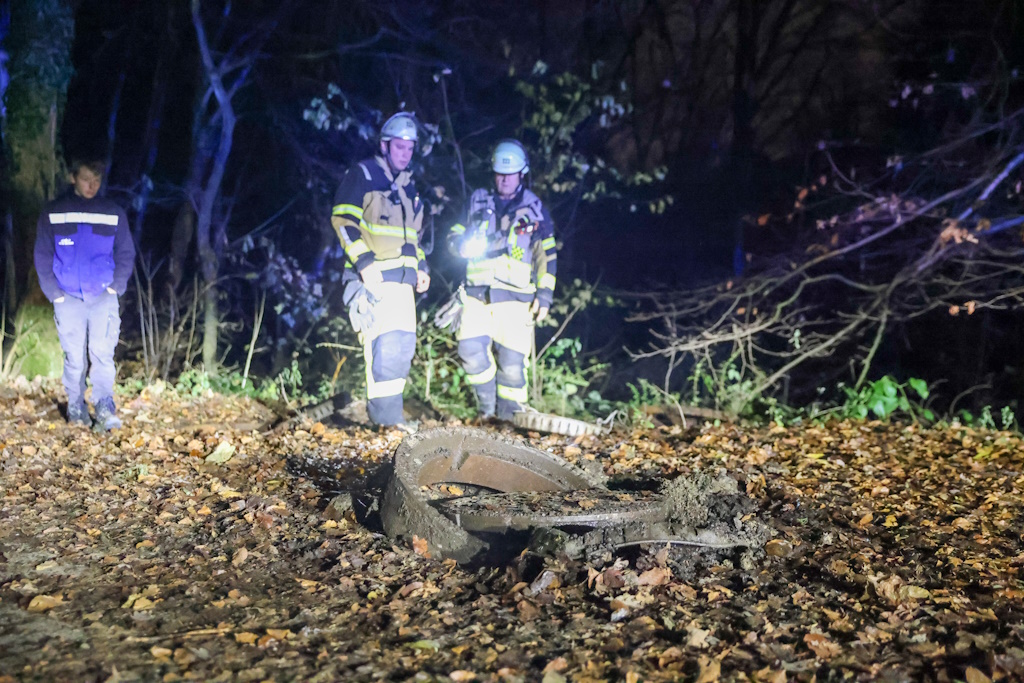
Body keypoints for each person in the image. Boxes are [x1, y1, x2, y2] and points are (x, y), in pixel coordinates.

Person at [330, 112, 430, 427]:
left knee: (401, 350)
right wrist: (364, 263)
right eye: (399, 146)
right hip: (373, 281)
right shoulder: (363, 174)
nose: (405, 153)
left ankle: (390, 419)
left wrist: (422, 267)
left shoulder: (409, 187)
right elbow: (343, 221)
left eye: (410, 148)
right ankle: (385, 423)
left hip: (403, 284)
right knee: (384, 350)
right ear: (385, 145)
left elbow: (415, 238)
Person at [448, 139, 557, 420]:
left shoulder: (535, 209)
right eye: (499, 174)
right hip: (477, 295)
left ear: (522, 173)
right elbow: (454, 233)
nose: (504, 180)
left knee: (512, 365)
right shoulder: (477, 201)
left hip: (517, 300)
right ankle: (487, 411)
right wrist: (459, 244)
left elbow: (546, 254)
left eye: (510, 174)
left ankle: (510, 421)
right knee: (470, 349)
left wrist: (544, 295)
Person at [33, 159, 135, 431]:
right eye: (86, 178)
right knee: (74, 357)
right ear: (73, 178)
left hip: (103, 296)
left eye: (97, 180)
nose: (92, 185)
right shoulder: (54, 212)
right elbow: (42, 254)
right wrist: (55, 294)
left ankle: (104, 407)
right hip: (67, 297)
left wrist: (115, 287)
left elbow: (125, 253)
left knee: (102, 354)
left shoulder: (113, 212)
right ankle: (76, 407)